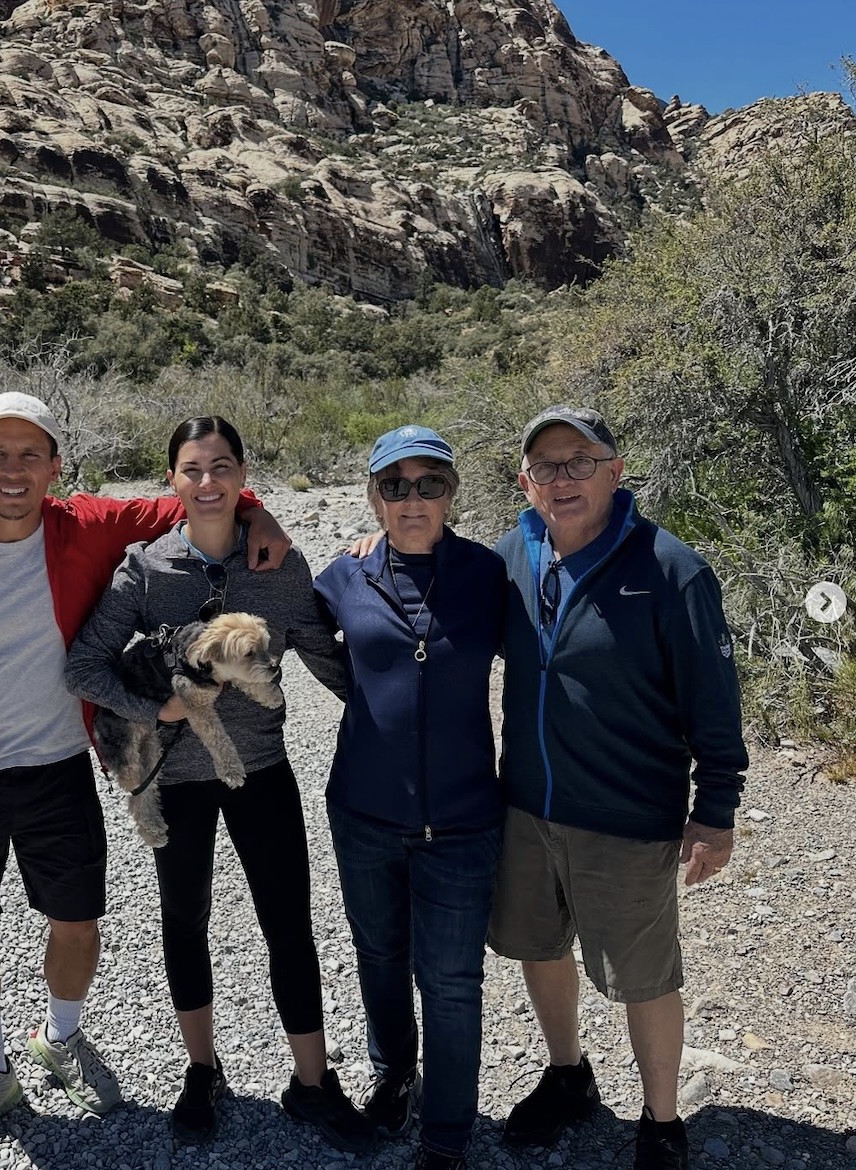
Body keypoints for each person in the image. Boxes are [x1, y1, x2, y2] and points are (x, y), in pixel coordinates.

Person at [0, 392, 290, 1160]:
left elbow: (196, 490)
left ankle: (60, 1040)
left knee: (76, 921)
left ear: (56, 467)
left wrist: (258, 512)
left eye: (31, 454)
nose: (14, 470)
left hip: (60, 769)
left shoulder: (87, 528)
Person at [65, 416, 375, 1153]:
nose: (208, 483)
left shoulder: (280, 568)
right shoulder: (145, 571)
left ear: (243, 476)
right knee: (185, 923)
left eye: (222, 467)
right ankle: (202, 1071)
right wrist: (157, 708)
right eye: (192, 470)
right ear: (171, 480)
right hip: (177, 779)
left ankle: (311, 1083)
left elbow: (331, 663)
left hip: (262, 773)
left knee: (288, 926)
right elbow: (84, 666)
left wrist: (398, 713)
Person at [489, 404, 749, 1170]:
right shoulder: (513, 554)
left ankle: (662, 1122)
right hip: (529, 806)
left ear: (615, 469)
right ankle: (569, 1076)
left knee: (644, 975)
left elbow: (714, 702)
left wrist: (716, 812)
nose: (562, 478)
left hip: (629, 815)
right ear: (525, 480)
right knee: (538, 947)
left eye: (579, 461)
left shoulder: (670, 568)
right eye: (546, 466)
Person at [313, 425, 506, 1170]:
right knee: (380, 954)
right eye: (395, 486)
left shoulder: (490, 575)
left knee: (452, 981)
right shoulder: (344, 575)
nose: (413, 498)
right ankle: (394, 1078)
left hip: (461, 820)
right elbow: (290, 618)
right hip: (363, 813)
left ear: (453, 492)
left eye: (430, 483)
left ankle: (447, 1132)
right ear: (374, 497)